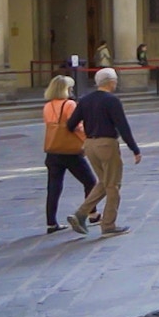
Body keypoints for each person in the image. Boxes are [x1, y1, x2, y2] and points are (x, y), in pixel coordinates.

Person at [65, 68, 142, 237]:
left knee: (104, 182)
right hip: (106, 144)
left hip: (89, 145)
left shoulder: (85, 100)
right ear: (111, 82)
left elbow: (71, 125)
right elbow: (122, 126)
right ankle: (108, 224)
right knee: (113, 185)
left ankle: (81, 214)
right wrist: (134, 149)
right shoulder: (111, 101)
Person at [41, 75, 98, 234]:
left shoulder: (47, 106)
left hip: (52, 150)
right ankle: (92, 213)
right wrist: (86, 141)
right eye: (70, 88)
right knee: (90, 181)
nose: (72, 90)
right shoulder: (69, 104)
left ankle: (51, 223)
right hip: (70, 151)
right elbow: (77, 126)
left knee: (54, 187)